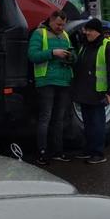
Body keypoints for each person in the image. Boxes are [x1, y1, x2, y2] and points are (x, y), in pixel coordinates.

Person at [27, 10, 74, 165]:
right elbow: (32, 55)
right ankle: (42, 152)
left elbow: (72, 54)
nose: (61, 27)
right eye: (59, 24)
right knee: (45, 118)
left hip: (63, 81)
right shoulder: (39, 34)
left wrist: (72, 57)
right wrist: (53, 52)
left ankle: (57, 151)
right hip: (46, 81)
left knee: (58, 119)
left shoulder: (65, 36)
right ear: (51, 20)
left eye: (63, 24)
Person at [72, 18, 110, 164]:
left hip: (98, 92)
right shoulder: (85, 46)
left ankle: (98, 152)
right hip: (84, 91)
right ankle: (88, 149)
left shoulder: (107, 47)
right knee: (88, 123)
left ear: (97, 31)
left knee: (97, 124)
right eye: (86, 30)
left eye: (90, 30)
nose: (87, 33)